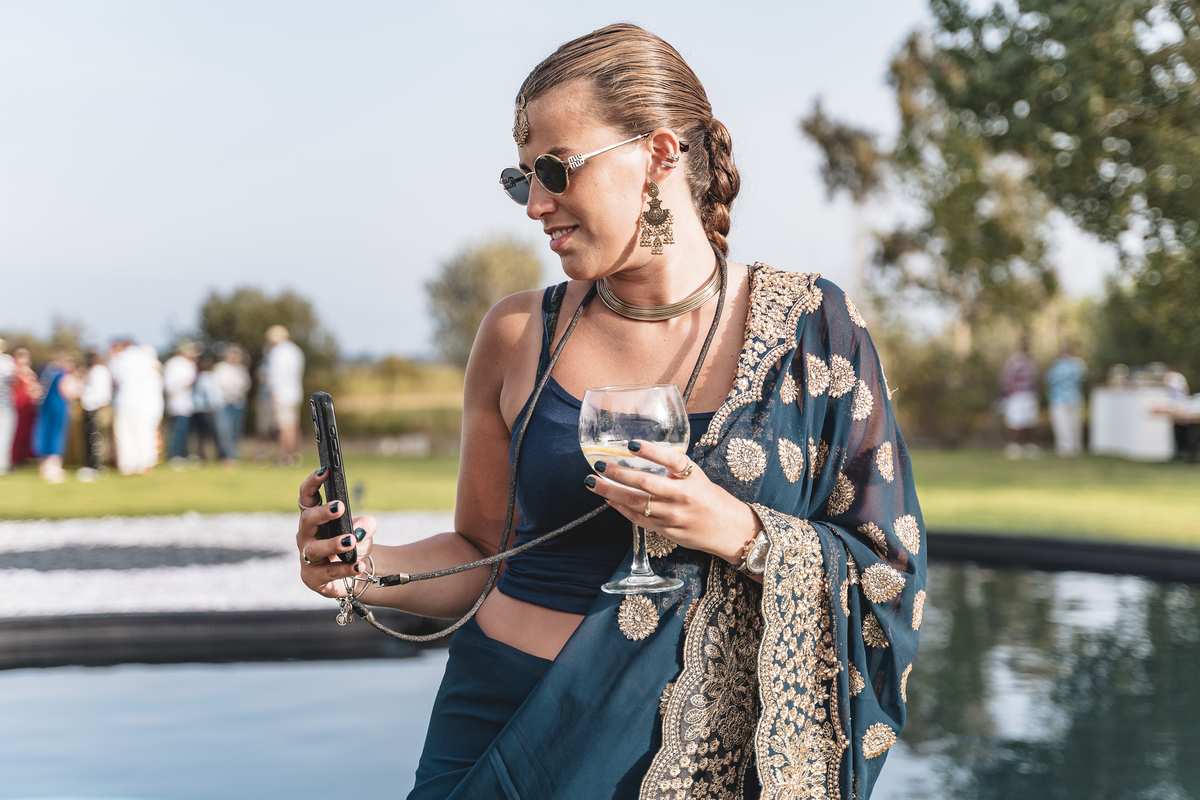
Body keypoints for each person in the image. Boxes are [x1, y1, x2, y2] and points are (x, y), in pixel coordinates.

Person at [294, 24, 925, 800]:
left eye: (556, 170)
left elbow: (887, 575)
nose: (535, 205)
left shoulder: (815, 333)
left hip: (688, 762)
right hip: (495, 725)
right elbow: (479, 551)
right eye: (520, 179)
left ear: (658, 154)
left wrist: (738, 530)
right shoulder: (518, 333)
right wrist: (362, 570)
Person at [109, 339, 164, 476]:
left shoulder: (121, 359)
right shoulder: (146, 361)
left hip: (124, 403)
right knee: (143, 435)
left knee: (125, 436)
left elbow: (114, 380)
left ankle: (127, 465)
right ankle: (144, 464)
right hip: (142, 405)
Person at [32, 351, 81, 484]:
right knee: (57, 436)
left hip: (46, 409)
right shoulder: (63, 376)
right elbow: (70, 392)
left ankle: (45, 465)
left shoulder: (47, 374)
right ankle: (53, 467)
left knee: (46, 434)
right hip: (59, 409)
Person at [263, 325, 305, 466]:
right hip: (295, 393)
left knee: (285, 426)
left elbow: (275, 376)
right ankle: (294, 454)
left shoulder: (278, 352)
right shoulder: (295, 350)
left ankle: (285, 456)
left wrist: (273, 393)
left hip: (282, 394)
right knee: (293, 425)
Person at [1044, 342, 1087, 458]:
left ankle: (1064, 447)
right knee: (1075, 424)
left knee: (1062, 424)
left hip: (1058, 398)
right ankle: (1075, 446)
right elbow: (1083, 378)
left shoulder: (1057, 365)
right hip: (1075, 397)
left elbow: (1049, 379)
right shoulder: (1079, 364)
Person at [78, 349, 114, 480]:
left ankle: (95, 466)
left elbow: (99, 391)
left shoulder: (97, 371)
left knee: (94, 438)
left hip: (93, 406)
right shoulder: (99, 370)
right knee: (93, 438)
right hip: (94, 406)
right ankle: (94, 465)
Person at [1001, 338, 1039, 459]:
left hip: (1029, 396)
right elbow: (1008, 379)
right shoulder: (1015, 362)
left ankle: (1028, 445)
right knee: (1015, 421)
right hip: (1017, 396)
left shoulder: (1031, 364)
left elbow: (1035, 380)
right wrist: (1011, 393)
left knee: (1028, 421)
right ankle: (1013, 445)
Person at [163, 342, 200, 466]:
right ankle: (175, 455)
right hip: (178, 403)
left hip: (189, 404)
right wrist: (185, 384)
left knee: (187, 432)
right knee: (178, 431)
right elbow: (170, 386)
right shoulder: (174, 364)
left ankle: (185, 454)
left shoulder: (191, 365)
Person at [213, 343, 251, 463]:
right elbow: (222, 385)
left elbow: (246, 385)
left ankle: (232, 455)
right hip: (224, 404)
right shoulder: (220, 368)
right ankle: (224, 454)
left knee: (235, 430)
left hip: (238, 403)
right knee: (224, 430)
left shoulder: (242, 369)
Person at [10, 346, 41, 467]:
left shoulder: (30, 373)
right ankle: (15, 457)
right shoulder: (12, 372)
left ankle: (26, 457)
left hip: (28, 406)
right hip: (16, 405)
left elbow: (35, 388)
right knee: (16, 432)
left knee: (28, 431)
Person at [190, 354, 223, 462]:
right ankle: (222, 455)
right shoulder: (208, 376)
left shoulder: (198, 376)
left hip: (198, 409)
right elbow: (210, 393)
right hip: (207, 409)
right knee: (215, 433)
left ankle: (202, 456)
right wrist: (213, 406)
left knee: (201, 435)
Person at [0, 339, 15, 475]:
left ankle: (3, 464)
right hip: (5, 406)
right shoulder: (6, 362)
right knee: (4, 435)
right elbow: (12, 380)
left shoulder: (7, 361)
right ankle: (2, 465)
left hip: (6, 404)